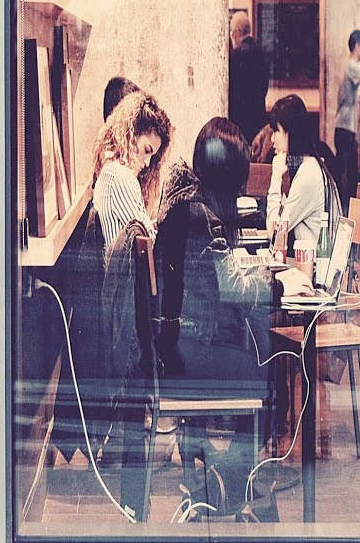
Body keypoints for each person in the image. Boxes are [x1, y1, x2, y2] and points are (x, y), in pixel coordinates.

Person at [153, 117, 288, 517]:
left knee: (262, 349)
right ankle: (236, 476)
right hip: (190, 354)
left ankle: (226, 474)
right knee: (271, 372)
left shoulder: (188, 206)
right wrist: (272, 284)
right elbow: (230, 288)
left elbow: (217, 279)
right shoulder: (203, 217)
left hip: (179, 346)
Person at [91, 91, 174, 248]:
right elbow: (148, 242)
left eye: (152, 156)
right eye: (147, 150)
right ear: (133, 134)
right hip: (127, 264)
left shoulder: (111, 171)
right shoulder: (120, 176)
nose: (147, 163)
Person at [266, 95, 343, 251]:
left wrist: (276, 177)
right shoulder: (310, 165)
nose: (272, 139)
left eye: (276, 131)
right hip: (309, 258)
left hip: (315, 263)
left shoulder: (308, 175)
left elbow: (274, 233)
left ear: (289, 133)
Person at [332, 30, 360, 201]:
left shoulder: (349, 67)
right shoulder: (353, 67)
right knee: (348, 175)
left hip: (344, 127)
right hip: (345, 127)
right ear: (357, 46)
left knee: (347, 172)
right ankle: (344, 210)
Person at [227, 11, 269, 146]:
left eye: (232, 32)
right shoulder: (261, 53)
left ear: (238, 31)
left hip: (240, 121)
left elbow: (233, 92)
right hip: (258, 117)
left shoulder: (236, 56)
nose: (232, 36)